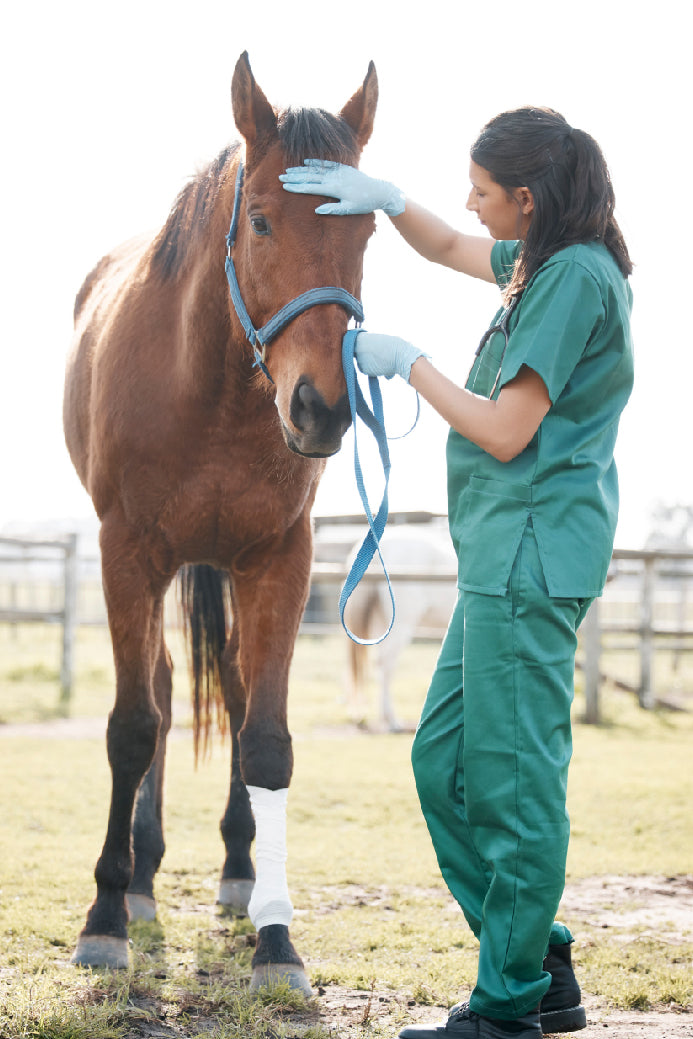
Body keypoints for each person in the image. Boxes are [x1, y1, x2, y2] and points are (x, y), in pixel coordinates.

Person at [281, 107, 633, 1039]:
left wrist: (409, 365)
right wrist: (387, 200)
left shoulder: (570, 281)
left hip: (529, 557)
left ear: (528, 197)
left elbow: (505, 428)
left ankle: (509, 1005)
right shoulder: (542, 263)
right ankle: (536, 957)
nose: (469, 207)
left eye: (482, 192)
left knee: (514, 788)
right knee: (442, 763)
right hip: (496, 560)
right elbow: (442, 244)